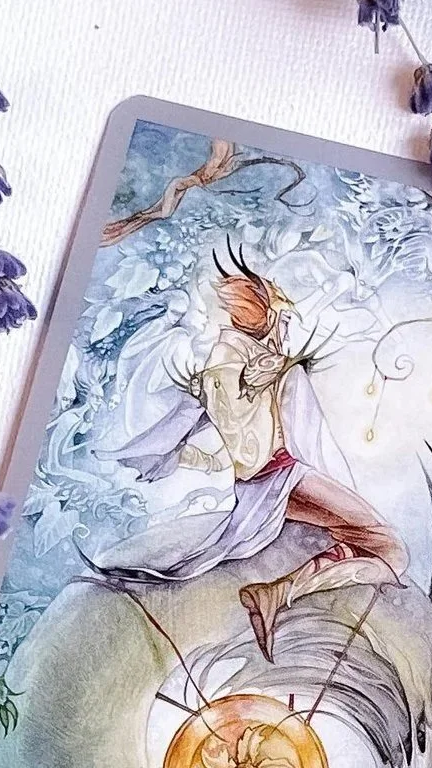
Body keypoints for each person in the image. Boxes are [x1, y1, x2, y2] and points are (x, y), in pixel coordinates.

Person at [92, 255, 406, 654]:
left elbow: (238, 440)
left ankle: (279, 591)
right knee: (390, 548)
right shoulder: (238, 365)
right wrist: (265, 378)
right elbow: (252, 449)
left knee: (365, 539)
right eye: (279, 315)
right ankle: (276, 593)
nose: (284, 325)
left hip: (273, 478)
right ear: (261, 314)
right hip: (281, 478)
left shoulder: (234, 361)